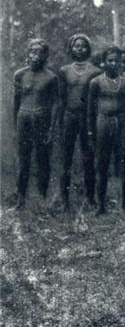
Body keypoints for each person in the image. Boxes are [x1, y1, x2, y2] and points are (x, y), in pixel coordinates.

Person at [87, 46, 125, 214]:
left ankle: (122, 206)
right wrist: (90, 131)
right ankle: (100, 206)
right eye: (110, 60)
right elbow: (90, 110)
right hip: (102, 122)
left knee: (123, 162)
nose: (114, 64)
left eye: (117, 61)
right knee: (101, 164)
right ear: (103, 63)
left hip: (121, 123)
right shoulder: (96, 82)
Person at [58, 34, 102, 210]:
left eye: (83, 46)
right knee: (66, 159)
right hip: (69, 116)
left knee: (88, 157)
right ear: (71, 48)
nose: (79, 49)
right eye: (76, 46)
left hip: (87, 118)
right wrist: (60, 122)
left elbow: (97, 101)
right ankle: (64, 201)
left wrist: (94, 123)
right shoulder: (64, 71)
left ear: (88, 49)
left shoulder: (95, 71)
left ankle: (90, 198)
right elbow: (61, 99)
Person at [13, 39, 58, 209]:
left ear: (46, 55)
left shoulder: (51, 77)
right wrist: (15, 127)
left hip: (42, 119)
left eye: (40, 52)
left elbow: (55, 104)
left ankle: (42, 198)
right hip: (23, 118)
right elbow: (16, 101)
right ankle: (20, 199)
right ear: (28, 53)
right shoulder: (20, 74)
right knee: (23, 161)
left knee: (42, 160)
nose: (36, 56)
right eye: (33, 51)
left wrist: (51, 129)